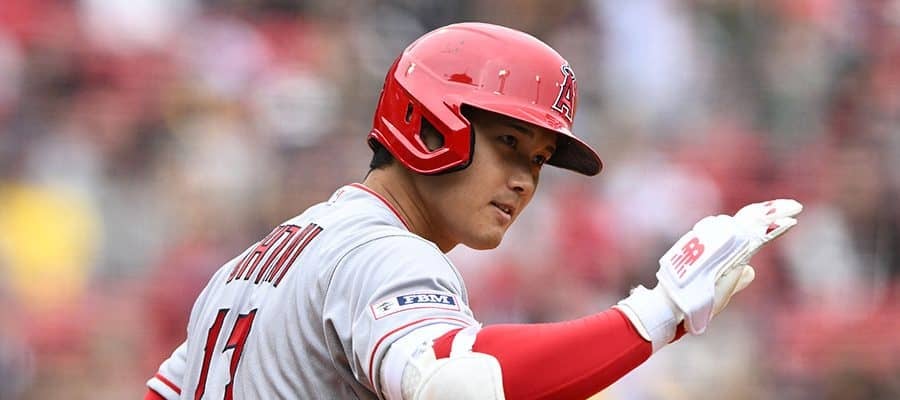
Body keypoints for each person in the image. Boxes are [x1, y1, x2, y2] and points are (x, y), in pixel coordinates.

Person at [144, 22, 802, 400]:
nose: (523, 181)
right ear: (428, 125)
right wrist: (657, 313)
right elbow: (458, 382)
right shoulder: (386, 254)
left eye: (538, 160)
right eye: (508, 144)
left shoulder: (257, 260)